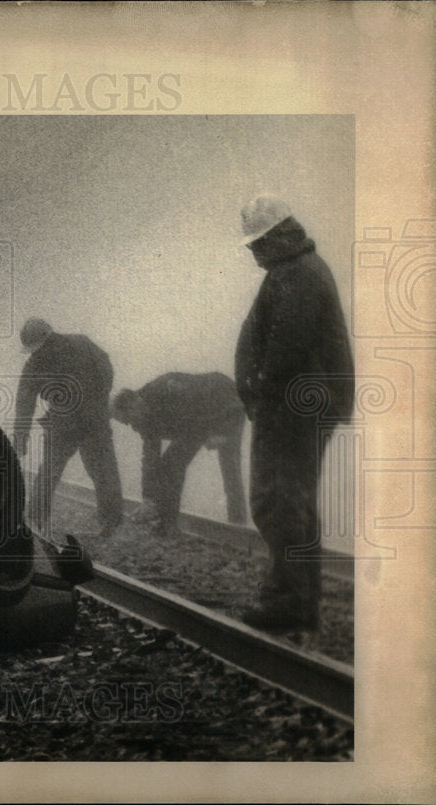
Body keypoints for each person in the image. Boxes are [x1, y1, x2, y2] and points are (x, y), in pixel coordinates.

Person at [234, 195, 354, 630]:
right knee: (286, 501)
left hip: (294, 405)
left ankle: (291, 601)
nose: (251, 252)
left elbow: (287, 346)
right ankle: (294, 598)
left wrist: (261, 391)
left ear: (277, 237)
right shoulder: (290, 270)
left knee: (279, 501)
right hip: (292, 403)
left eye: (256, 243)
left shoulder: (299, 274)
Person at [13, 318, 122, 539]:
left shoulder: (73, 347)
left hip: (83, 421)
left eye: (37, 347)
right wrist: (20, 438)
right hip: (74, 422)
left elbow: (105, 369)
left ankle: (36, 522)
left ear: (44, 338)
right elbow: (24, 403)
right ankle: (110, 521)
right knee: (93, 472)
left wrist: (95, 400)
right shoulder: (74, 346)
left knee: (92, 472)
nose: (37, 352)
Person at [111, 372, 247, 535]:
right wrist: (148, 498)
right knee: (170, 465)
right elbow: (150, 460)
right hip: (195, 423)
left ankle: (238, 527)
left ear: (135, 404)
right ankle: (168, 523)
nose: (130, 425)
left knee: (230, 467)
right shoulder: (143, 418)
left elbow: (199, 406)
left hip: (228, 405)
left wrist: (222, 432)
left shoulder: (166, 388)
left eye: (128, 419)